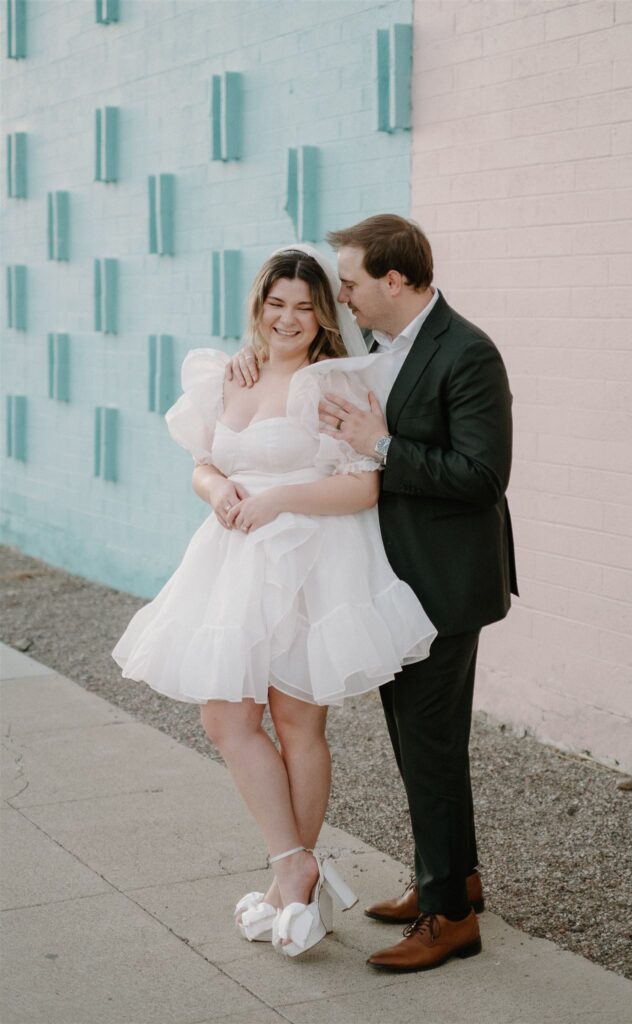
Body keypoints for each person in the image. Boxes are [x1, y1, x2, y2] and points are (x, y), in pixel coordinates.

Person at [112, 244, 436, 959]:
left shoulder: (335, 385)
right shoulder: (233, 374)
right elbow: (203, 461)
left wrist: (278, 499)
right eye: (275, 303)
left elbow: (364, 484)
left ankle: (291, 884)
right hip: (232, 560)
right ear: (259, 304)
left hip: (311, 561)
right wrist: (219, 490)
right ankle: (294, 862)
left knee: (295, 719)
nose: (287, 318)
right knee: (227, 717)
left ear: (321, 312)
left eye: (302, 305)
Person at [227, 215, 517, 972]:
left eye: (349, 282)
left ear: (394, 281)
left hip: (445, 582)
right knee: (419, 745)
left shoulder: (466, 351)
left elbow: (483, 478)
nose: (341, 295)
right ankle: (451, 880)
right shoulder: (384, 348)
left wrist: (380, 448)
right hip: (397, 582)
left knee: (428, 748)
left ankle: (449, 917)